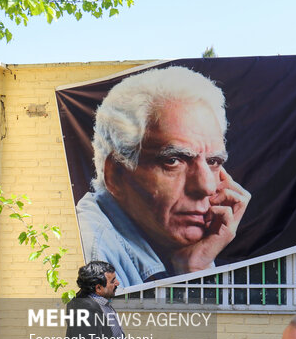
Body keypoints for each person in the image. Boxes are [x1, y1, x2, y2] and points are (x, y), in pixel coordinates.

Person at [76, 66, 251, 287]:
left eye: (213, 162)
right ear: (116, 175)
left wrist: (194, 270)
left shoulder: (162, 238)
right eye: (173, 161)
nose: (207, 186)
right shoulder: (91, 255)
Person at [61, 261, 131, 339]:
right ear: (98, 288)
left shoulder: (102, 304)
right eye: (113, 281)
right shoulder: (84, 312)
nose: (117, 283)